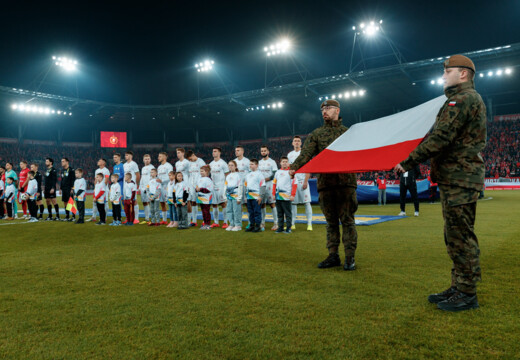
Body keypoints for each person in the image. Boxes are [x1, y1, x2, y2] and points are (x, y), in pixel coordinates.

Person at [394, 54, 486, 312]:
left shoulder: (463, 99)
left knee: (461, 237)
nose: (444, 76)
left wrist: (409, 160)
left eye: (448, 71)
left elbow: (441, 136)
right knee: (454, 236)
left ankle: (467, 293)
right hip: (456, 178)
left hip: (460, 177)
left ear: (464, 74)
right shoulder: (461, 100)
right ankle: (459, 286)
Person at [290, 99, 358, 271]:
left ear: (337, 110)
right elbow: (306, 153)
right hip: (326, 185)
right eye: (322, 109)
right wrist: (294, 168)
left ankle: (350, 257)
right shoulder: (317, 134)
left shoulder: (349, 132)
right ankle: (333, 255)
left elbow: (360, 153)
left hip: (346, 184)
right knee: (331, 223)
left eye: (328, 108)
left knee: (348, 221)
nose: (324, 112)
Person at [287, 136, 313, 231]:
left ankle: (309, 224)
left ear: (301, 143)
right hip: (294, 182)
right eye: (295, 141)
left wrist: (306, 181)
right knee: (293, 203)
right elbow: (289, 169)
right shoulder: (290, 155)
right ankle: (293, 223)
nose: (297, 142)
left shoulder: (305, 153)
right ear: (292, 143)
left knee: (307, 203)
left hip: (303, 181)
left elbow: (308, 168)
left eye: (298, 141)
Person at [273, 156, 297, 234]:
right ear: (280, 163)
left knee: (287, 213)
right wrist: (273, 194)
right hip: (278, 196)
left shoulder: (291, 172)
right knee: (279, 213)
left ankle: (288, 228)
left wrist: (293, 195)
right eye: (283, 162)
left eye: (286, 162)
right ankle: (280, 227)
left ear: (288, 163)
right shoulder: (277, 172)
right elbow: (274, 183)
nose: (284, 163)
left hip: (286, 196)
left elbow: (294, 184)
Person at [258, 145, 278, 231]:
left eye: (264, 151)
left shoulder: (272, 162)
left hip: (270, 185)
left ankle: (276, 223)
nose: (263, 152)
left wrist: (266, 179)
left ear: (268, 152)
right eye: (262, 151)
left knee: (272, 204)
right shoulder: (259, 162)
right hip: (261, 186)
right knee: (262, 204)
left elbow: (275, 174)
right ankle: (262, 223)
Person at [243, 159, 265, 233]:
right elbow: (246, 186)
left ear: (257, 165)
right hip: (249, 197)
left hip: (256, 197)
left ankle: (258, 226)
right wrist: (245, 196)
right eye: (250, 164)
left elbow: (262, 186)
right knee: (251, 212)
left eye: (252, 164)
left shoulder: (260, 174)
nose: (250, 166)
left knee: (257, 212)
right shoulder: (248, 175)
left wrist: (260, 196)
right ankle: (252, 225)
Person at [209, 147, 229, 228]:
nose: (213, 153)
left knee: (223, 204)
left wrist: (226, 186)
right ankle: (216, 222)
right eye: (213, 151)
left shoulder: (223, 163)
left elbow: (227, 175)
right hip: (213, 187)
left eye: (215, 151)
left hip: (221, 186)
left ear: (219, 153)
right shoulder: (210, 164)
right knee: (214, 204)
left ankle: (225, 222)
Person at [186, 150, 205, 226]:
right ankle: (194, 221)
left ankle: (204, 221)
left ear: (193, 155)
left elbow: (204, 174)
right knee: (193, 202)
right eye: (188, 159)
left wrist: (200, 184)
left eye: (190, 158)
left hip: (199, 185)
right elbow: (188, 175)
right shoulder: (189, 163)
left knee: (202, 202)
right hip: (191, 185)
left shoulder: (201, 162)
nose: (189, 160)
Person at [234, 145, 250, 228]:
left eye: (238, 150)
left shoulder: (247, 161)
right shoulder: (234, 162)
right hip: (237, 187)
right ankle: (238, 222)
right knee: (238, 204)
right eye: (236, 150)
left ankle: (250, 222)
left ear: (242, 151)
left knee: (247, 204)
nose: (236, 152)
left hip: (245, 186)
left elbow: (251, 173)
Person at [225, 160, 243, 232]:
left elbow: (240, 186)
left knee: (236, 210)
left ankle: (238, 225)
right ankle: (231, 224)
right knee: (229, 210)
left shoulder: (238, 176)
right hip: (229, 196)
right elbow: (225, 186)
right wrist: (225, 196)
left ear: (235, 167)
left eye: (232, 165)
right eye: (229, 165)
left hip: (235, 196)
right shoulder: (228, 176)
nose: (230, 167)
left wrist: (239, 197)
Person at [157, 152, 174, 225]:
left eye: (160, 156)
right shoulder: (159, 167)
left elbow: (171, 177)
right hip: (161, 187)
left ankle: (173, 219)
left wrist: (162, 181)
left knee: (170, 203)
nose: (158, 158)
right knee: (162, 203)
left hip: (168, 187)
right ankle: (164, 220)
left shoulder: (169, 166)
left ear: (164, 157)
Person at [124, 151, 140, 224]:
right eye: (125, 155)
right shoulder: (124, 165)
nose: (125, 156)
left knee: (134, 201)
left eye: (127, 155)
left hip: (132, 185)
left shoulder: (134, 164)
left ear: (131, 156)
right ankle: (128, 218)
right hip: (126, 185)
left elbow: (137, 174)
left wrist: (136, 184)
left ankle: (136, 218)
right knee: (126, 202)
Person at [175, 148, 191, 223]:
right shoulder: (177, 163)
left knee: (187, 201)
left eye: (179, 153)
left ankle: (189, 220)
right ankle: (182, 220)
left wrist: (189, 184)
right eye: (177, 153)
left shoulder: (187, 162)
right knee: (180, 201)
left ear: (183, 153)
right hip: (179, 184)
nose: (177, 154)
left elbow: (190, 173)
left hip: (186, 183)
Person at [196, 165, 213, 230]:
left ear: (206, 171)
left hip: (207, 198)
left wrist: (200, 189)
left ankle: (208, 224)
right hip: (200, 198)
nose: (201, 172)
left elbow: (209, 189)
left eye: (202, 171)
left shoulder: (209, 179)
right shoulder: (199, 179)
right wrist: (196, 189)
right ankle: (205, 224)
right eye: (200, 171)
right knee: (203, 212)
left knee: (206, 211)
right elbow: (197, 187)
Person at [140, 154, 155, 224]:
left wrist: (149, 187)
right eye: (146, 159)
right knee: (144, 202)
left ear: (150, 160)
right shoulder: (143, 168)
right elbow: (142, 178)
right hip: (143, 188)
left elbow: (153, 178)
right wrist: (140, 186)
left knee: (150, 202)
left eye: (148, 159)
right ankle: (147, 217)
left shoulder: (152, 167)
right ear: (143, 160)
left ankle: (152, 217)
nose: (147, 160)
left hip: (149, 188)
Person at [60, 158, 75, 222]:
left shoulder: (71, 170)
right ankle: (67, 216)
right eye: (61, 161)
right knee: (65, 202)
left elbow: (73, 180)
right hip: (64, 188)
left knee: (70, 202)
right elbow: (62, 180)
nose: (62, 163)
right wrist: (60, 188)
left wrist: (72, 188)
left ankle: (73, 217)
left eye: (63, 161)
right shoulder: (63, 170)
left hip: (69, 188)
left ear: (67, 162)